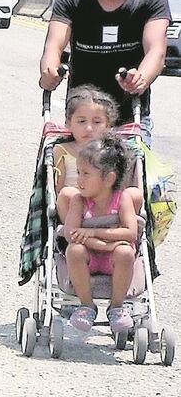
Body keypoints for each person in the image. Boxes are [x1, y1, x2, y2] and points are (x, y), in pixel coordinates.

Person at [39, 0, 169, 139]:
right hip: (83, 120)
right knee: (67, 171)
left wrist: (140, 78)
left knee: (136, 170)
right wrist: (49, 70)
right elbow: (54, 44)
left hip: (131, 119)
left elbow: (157, 51)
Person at [63, 135, 139, 336]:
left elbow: (131, 232)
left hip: (114, 259)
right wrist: (105, 245)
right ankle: (87, 305)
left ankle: (116, 306)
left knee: (125, 253)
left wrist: (93, 232)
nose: (79, 180)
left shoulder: (121, 199)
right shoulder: (79, 201)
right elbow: (71, 234)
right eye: (78, 172)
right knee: (75, 250)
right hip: (89, 258)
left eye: (86, 174)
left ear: (108, 178)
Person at [52, 85, 143, 222]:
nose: (89, 128)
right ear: (69, 123)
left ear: (108, 126)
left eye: (97, 122)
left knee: (134, 193)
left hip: (110, 206)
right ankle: (76, 231)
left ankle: (121, 227)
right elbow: (57, 191)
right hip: (79, 208)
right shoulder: (62, 150)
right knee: (66, 194)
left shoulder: (113, 150)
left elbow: (122, 184)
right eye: (82, 121)